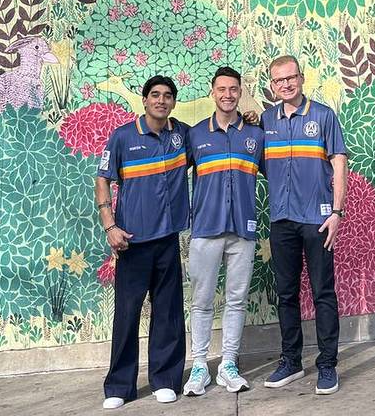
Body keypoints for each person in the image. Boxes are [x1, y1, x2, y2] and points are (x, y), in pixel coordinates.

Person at [95, 75, 190, 410]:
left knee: (168, 312)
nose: (161, 100)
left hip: (167, 239)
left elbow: (214, 139)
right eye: (155, 95)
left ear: (173, 102)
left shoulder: (181, 135)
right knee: (127, 314)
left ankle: (165, 379)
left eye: (167, 96)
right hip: (131, 242)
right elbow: (102, 179)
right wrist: (110, 227)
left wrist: (247, 118)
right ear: (144, 99)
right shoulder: (123, 137)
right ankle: (120, 385)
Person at [261, 55, 348, 395]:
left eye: (291, 77)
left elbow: (338, 165)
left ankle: (327, 366)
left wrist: (337, 213)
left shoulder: (324, 116)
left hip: (317, 220)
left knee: (323, 293)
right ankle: (291, 361)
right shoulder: (266, 121)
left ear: (301, 77)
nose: (286, 84)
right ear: (272, 85)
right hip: (281, 220)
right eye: (279, 80)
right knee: (286, 294)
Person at [182, 66, 265, 397]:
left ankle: (228, 364)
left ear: (240, 91)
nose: (228, 94)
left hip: (243, 230)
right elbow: (172, 177)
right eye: (222, 89)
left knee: (236, 299)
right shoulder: (196, 135)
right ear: (212, 91)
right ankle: (200, 366)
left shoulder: (256, 135)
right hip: (205, 229)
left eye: (234, 89)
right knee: (201, 301)